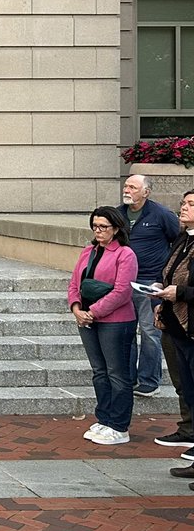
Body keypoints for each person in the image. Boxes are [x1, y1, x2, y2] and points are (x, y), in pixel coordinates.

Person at [69, 207, 139, 446]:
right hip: (87, 320)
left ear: (116, 229)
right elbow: (74, 283)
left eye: (103, 227)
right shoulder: (88, 251)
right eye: (95, 226)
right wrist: (76, 308)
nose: (98, 231)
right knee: (99, 372)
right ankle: (105, 418)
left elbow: (122, 291)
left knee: (117, 374)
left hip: (115, 322)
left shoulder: (125, 254)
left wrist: (93, 312)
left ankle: (119, 425)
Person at [119, 174, 180, 397]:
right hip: (124, 282)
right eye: (126, 186)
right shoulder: (119, 213)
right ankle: (127, 378)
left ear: (146, 192)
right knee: (125, 331)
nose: (127, 190)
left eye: (133, 187)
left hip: (150, 281)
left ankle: (149, 381)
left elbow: (177, 241)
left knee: (149, 331)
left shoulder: (162, 214)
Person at [153, 189, 194, 484]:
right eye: (183, 203)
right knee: (189, 392)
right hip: (176, 327)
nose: (183, 207)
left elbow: (184, 286)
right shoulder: (184, 238)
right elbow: (171, 273)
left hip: (192, 328)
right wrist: (162, 295)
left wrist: (179, 293)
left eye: (191, 204)